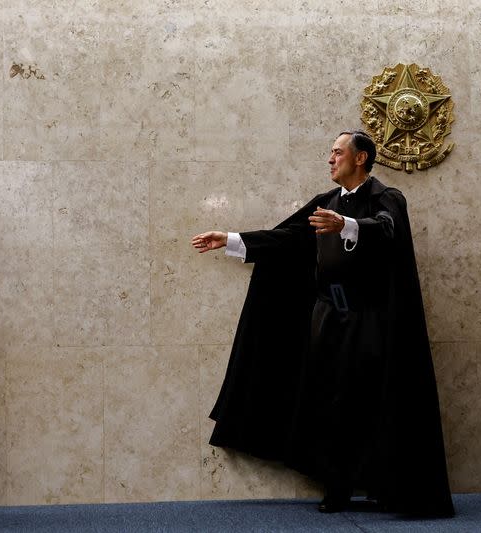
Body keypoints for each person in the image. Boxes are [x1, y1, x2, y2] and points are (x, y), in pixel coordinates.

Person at [191, 130, 454, 517]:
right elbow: (286, 238)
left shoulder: (387, 199)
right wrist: (229, 239)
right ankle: (337, 487)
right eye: (330, 153)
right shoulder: (325, 203)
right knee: (329, 402)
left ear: (361, 158)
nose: (330, 159)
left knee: (372, 401)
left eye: (337, 152)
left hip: (373, 322)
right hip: (328, 319)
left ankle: (384, 485)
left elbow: (386, 229)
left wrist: (347, 224)